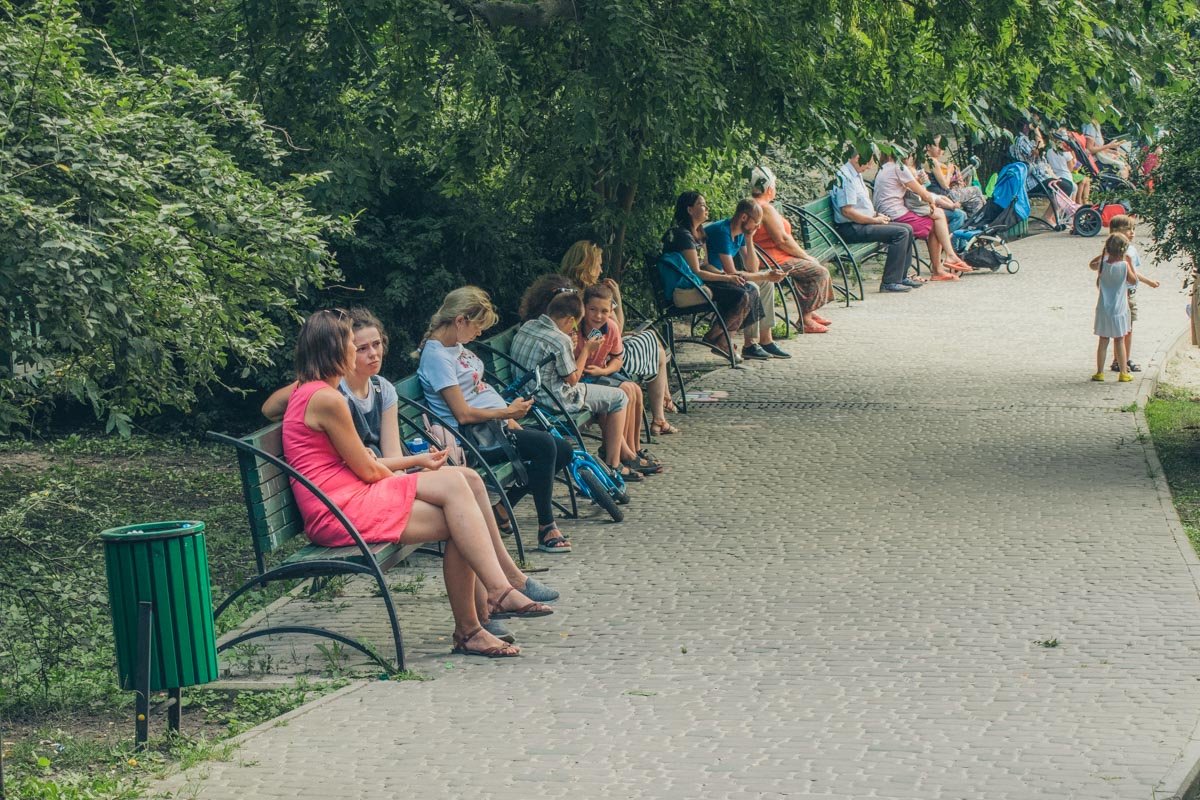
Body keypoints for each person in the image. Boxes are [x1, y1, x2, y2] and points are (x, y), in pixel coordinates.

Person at [282, 309, 553, 659]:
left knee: (464, 486)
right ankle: (492, 600)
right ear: (334, 349)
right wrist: (408, 473)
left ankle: (479, 619)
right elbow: (366, 469)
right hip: (338, 509)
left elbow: (364, 464)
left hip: (347, 498)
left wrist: (409, 468)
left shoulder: (315, 392)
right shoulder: (327, 398)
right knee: (458, 496)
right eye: (352, 345)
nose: (356, 352)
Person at [418, 286, 578, 555]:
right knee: (545, 446)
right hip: (473, 438)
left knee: (563, 449)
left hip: (495, 427)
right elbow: (463, 414)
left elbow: (477, 389)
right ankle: (546, 528)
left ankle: (502, 509)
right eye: (477, 326)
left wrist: (506, 416)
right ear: (460, 321)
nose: (479, 333)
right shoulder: (437, 357)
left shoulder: (454, 346)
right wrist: (506, 414)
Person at [511, 288, 648, 482]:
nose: (573, 328)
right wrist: (586, 351)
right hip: (555, 399)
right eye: (573, 324)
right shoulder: (559, 340)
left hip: (525, 393)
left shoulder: (529, 325)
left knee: (622, 391)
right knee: (620, 398)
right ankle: (613, 465)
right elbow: (573, 379)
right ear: (569, 319)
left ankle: (624, 453)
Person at [560, 240, 679, 435]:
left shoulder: (567, 290)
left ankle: (661, 413)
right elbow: (616, 327)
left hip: (601, 353)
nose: (600, 269)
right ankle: (660, 415)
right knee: (654, 347)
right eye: (598, 264)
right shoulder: (594, 294)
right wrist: (618, 299)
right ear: (587, 265)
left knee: (652, 342)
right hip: (601, 357)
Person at [661, 191, 760, 361]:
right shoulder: (683, 235)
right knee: (742, 294)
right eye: (702, 205)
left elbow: (705, 264)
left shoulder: (699, 233)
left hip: (699, 280)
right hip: (688, 285)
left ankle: (719, 338)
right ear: (690, 210)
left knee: (749, 289)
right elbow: (696, 272)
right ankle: (717, 338)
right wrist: (727, 278)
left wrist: (724, 274)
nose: (707, 208)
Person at [575, 284, 663, 473]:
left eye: (604, 311)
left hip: (599, 373)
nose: (598, 316)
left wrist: (604, 371)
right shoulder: (576, 329)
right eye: (593, 310)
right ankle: (623, 454)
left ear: (610, 311)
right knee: (623, 393)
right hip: (581, 378)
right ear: (584, 308)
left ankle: (633, 447)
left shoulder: (611, 328)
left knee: (635, 390)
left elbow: (617, 358)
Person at [748, 166, 835, 334]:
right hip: (773, 260)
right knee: (818, 272)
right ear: (770, 188)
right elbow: (782, 240)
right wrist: (806, 256)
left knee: (808, 268)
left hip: (772, 256)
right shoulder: (765, 208)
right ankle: (806, 320)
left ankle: (808, 312)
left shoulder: (755, 204)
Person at [704, 199, 790, 360]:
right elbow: (732, 273)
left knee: (765, 283)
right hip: (714, 277)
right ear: (744, 217)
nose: (758, 228)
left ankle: (766, 339)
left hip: (726, 277)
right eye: (756, 223)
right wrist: (765, 275)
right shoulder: (723, 231)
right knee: (755, 286)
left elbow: (752, 268)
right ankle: (750, 343)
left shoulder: (741, 233)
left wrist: (750, 238)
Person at [830, 146, 918, 293]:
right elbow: (847, 212)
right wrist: (873, 220)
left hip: (860, 223)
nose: (870, 166)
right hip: (851, 228)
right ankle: (890, 282)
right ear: (858, 158)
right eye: (869, 162)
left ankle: (901, 277)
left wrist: (876, 215)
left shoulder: (855, 175)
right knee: (901, 232)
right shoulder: (846, 178)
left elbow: (860, 207)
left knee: (907, 228)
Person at [872, 151, 971, 281]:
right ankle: (944, 263)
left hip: (887, 212)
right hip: (895, 214)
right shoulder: (899, 167)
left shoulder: (885, 167)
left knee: (938, 216)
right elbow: (924, 194)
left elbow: (913, 190)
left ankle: (944, 263)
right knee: (937, 220)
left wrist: (922, 187)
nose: (911, 158)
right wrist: (931, 202)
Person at [1106, 216, 1160, 373]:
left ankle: (1121, 359)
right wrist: (1148, 282)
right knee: (1126, 329)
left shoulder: (1128, 250)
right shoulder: (1121, 251)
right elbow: (1132, 274)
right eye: (1128, 229)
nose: (1132, 233)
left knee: (1125, 328)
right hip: (1124, 294)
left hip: (1127, 292)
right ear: (1116, 231)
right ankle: (1123, 360)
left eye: (1133, 229)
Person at [1089, 235, 1137, 383]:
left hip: (1103, 309)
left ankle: (1099, 372)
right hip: (1119, 309)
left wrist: (1104, 254)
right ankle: (1123, 372)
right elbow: (1134, 280)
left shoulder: (1102, 264)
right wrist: (1129, 263)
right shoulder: (1124, 265)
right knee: (1119, 340)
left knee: (1103, 341)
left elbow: (1092, 265)